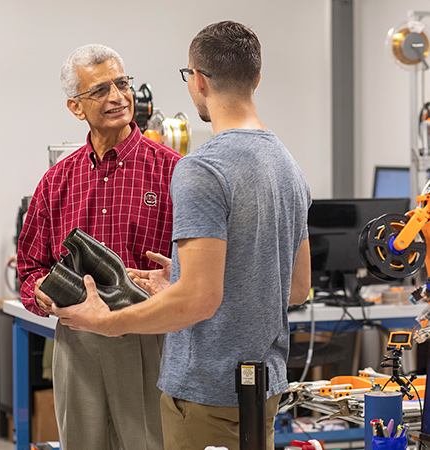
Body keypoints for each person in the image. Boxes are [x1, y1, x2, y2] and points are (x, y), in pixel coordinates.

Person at [51, 22, 311, 450]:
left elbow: (198, 301)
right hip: (263, 389)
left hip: (204, 392)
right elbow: (296, 287)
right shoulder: (288, 166)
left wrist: (108, 322)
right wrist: (184, 276)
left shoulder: (200, 168)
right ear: (257, 78)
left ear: (199, 80)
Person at [17, 44, 182, 450]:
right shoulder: (56, 181)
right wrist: (44, 295)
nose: (117, 97)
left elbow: (205, 268)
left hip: (149, 336)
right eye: (100, 90)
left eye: (121, 83)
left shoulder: (174, 172)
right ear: (76, 107)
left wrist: (175, 278)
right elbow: (29, 267)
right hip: (78, 345)